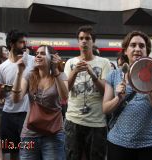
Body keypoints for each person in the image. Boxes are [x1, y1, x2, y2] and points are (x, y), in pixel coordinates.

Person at [103, 31, 152, 160]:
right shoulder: (114, 75)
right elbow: (105, 109)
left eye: (142, 46)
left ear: (147, 51)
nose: (137, 49)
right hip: (119, 143)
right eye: (133, 45)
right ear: (126, 51)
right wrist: (118, 98)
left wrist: (148, 89)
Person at [12, 45, 68, 160]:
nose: (38, 55)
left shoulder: (60, 75)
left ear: (51, 57)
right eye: (37, 53)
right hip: (29, 134)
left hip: (54, 133)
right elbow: (16, 99)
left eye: (42, 53)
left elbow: (64, 97)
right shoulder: (29, 75)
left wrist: (56, 70)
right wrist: (19, 73)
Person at [64, 25, 111, 160]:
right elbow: (65, 90)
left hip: (97, 123)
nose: (84, 41)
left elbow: (106, 91)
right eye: (81, 38)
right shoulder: (70, 62)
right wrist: (74, 71)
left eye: (87, 38)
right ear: (78, 42)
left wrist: (92, 74)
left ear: (93, 41)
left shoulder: (104, 62)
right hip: (73, 120)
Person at [0, 29, 34, 160]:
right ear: (12, 44)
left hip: (27, 112)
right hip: (8, 113)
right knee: (13, 152)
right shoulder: (2, 67)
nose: (25, 45)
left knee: (29, 151)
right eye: (21, 42)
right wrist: (8, 88)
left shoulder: (32, 60)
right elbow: (0, 95)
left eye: (25, 42)